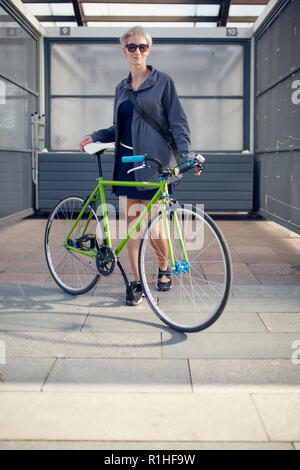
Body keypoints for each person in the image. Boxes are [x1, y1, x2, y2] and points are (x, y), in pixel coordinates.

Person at [79, 25, 201, 306]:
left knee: (155, 227)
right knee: (133, 225)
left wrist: (186, 156)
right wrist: (96, 136)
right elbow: (118, 127)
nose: (137, 51)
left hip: (153, 164)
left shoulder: (163, 82)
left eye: (142, 46)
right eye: (131, 47)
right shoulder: (120, 89)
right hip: (126, 163)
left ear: (149, 50)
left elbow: (178, 123)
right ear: (124, 51)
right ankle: (135, 282)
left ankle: (162, 267)